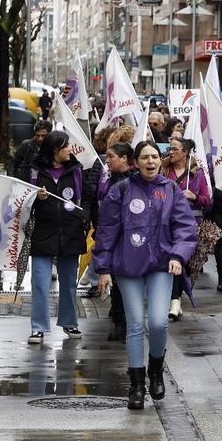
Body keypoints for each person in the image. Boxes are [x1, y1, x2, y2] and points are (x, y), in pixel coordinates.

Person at [95, 141, 198, 410]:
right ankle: (137, 385)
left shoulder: (171, 189)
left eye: (155, 156)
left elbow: (185, 227)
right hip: (127, 266)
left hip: (161, 265)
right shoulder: (120, 191)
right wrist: (103, 269)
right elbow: (106, 231)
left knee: (158, 323)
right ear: (135, 162)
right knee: (135, 326)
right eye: (145, 157)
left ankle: (155, 369)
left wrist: (178, 256)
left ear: (160, 161)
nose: (150, 161)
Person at [25, 131, 98, 345]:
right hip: (43, 233)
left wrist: (83, 215)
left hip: (71, 232)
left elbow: (87, 195)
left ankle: (69, 322)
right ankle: (38, 328)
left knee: (68, 283)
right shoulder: (34, 171)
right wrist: (34, 198)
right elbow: (20, 196)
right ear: (55, 150)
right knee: (39, 282)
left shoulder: (76, 170)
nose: (70, 150)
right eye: (66, 146)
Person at [162, 137, 216, 321]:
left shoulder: (197, 174)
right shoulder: (163, 170)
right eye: (170, 148)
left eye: (175, 149)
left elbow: (208, 202)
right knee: (174, 258)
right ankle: (174, 301)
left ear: (185, 152)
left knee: (184, 261)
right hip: (167, 224)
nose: (171, 151)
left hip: (190, 225)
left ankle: (175, 298)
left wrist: (194, 196)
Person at [96, 141, 135, 342]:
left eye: (111, 156)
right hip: (112, 238)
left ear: (125, 159)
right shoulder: (108, 179)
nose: (107, 160)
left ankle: (127, 323)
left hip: (130, 241)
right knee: (116, 284)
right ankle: (120, 321)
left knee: (127, 284)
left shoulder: (135, 183)